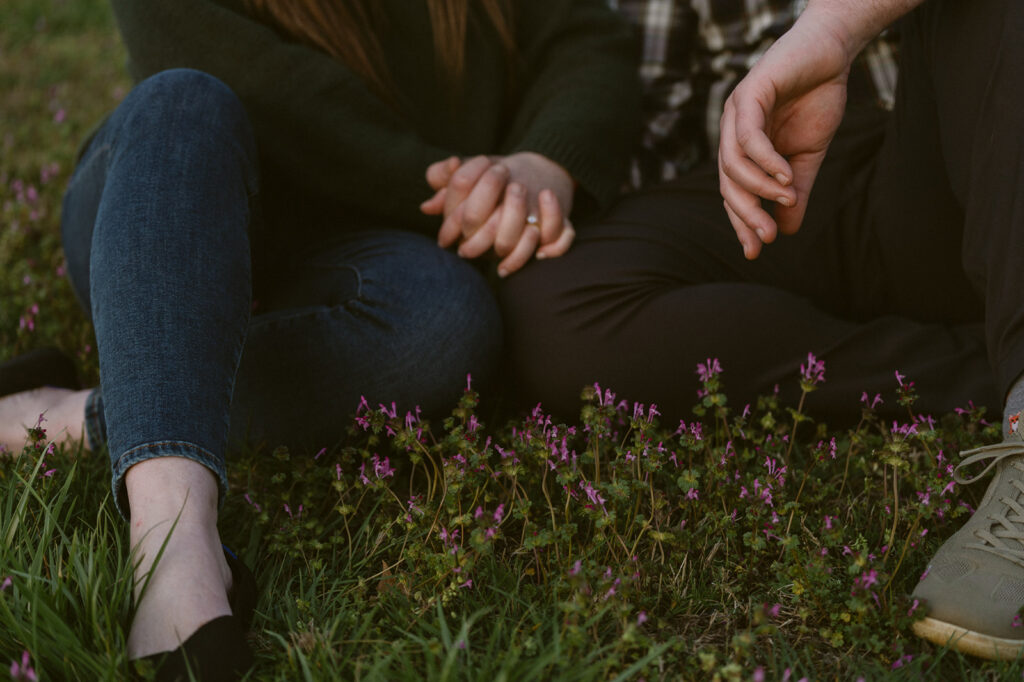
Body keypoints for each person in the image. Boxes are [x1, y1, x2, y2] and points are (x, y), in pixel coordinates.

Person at [0, 0, 639, 677]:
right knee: (183, 98)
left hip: (360, 244)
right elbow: (265, 89)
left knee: (446, 326)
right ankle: (173, 542)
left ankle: (87, 411)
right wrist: (463, 196)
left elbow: (584, 34)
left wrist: (542, 167)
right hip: (171, 198)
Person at [501, 0, 1024, 660]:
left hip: (966, 133)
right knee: (559, 310)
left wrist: (831, 29)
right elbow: (636, 96)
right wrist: (551, 169)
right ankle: (996, 373)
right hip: (790, 173)